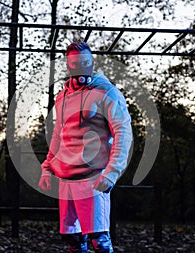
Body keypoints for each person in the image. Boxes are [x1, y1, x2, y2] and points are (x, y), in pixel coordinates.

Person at [38, 42, 133, 253]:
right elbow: (58, 134)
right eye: (76, 63)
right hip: (66, 177)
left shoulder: (107, 92)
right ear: (68, 66)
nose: (81, 67)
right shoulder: (62, 97)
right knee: (72, 238)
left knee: (99, 239)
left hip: (93, 175)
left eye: (86, 62)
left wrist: (112, 172)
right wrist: (47, 167)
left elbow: (123, 132)